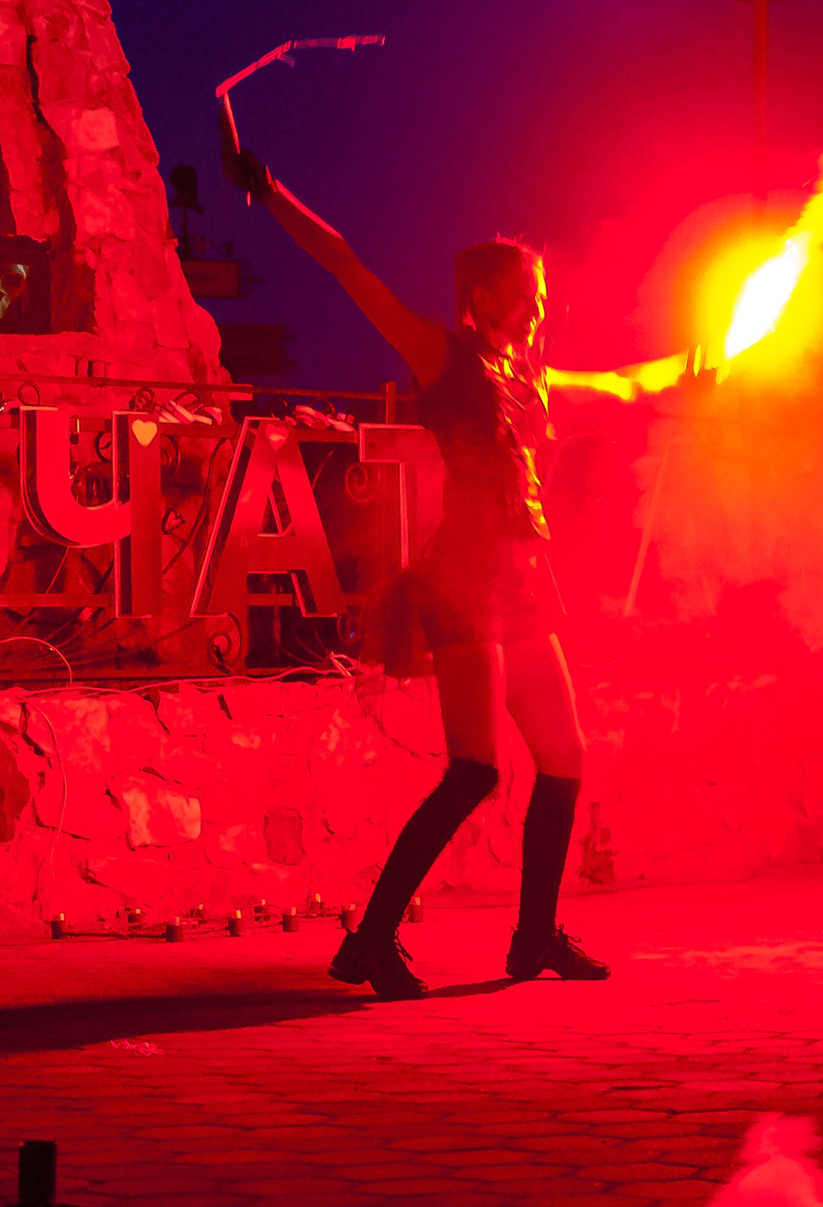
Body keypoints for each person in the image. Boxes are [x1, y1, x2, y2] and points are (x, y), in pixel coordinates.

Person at [221, 103, 706, 999]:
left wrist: (698, 364)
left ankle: (533, 937)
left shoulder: (532, 382)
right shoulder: (441, 357)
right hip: (463, 581)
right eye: (526, 297)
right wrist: (272, 191)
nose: (538, 311)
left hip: (522, 578)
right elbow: (345, 266)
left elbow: (629, 383)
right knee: (477, 768)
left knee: (564, 758)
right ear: (482, 298)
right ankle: (369, 940)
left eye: (543, 299)